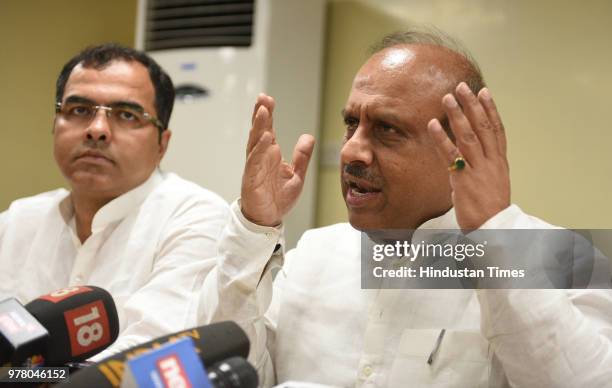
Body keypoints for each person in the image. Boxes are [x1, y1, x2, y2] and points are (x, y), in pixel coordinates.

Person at [201, 30, 612, 387]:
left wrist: (494, 237)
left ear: (463, 147)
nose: (351, 150)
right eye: (351, 124)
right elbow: (226, 373)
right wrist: (253, 230)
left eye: (387, 129)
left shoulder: (562, 258)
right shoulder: (314, 254)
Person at [0, 43, 228, 360]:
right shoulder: (17, 221)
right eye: (79, 110)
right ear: (55, 124)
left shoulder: (196, 217)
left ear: (162, 143)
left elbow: (152, 353)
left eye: (126, 115)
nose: (97, 130)